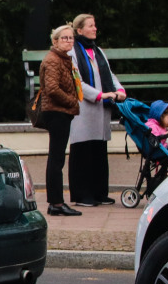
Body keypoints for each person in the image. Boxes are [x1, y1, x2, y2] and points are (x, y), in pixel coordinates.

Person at [68, 14, 125, 206]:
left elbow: (109, 74)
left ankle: (100, 192)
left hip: (101, 108)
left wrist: (119, 90)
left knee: (99, 150)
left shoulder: (98, 51)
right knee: (82, 150)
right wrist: (100, 95)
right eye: (91, 26)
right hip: (83, 107)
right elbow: (77, 82)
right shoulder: (73, 52)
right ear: (79, 30)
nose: (95, 28)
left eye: (95, 25)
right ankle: (82, 195)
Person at [38, 25, 83, 216]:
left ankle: (56, 202)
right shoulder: (53, 60)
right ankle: (56, 203)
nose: (69, 41)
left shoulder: (64, 59)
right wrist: (72, 101)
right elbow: (52, 89)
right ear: (55, 41)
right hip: (57, 112)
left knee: (57, 158)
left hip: (63, 112)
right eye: (64, 38)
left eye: (71, 38)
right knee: (56, 159)